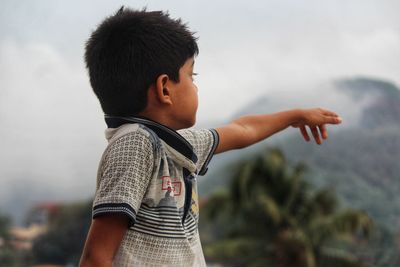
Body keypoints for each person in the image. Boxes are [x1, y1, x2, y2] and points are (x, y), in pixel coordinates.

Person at [79, 6, 342, 267]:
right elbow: (96, 258)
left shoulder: (173, 146)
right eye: (191, 76)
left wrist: (294, 116)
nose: (195, 85)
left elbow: (241, 130)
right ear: (164, 89)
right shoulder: (135, 144)